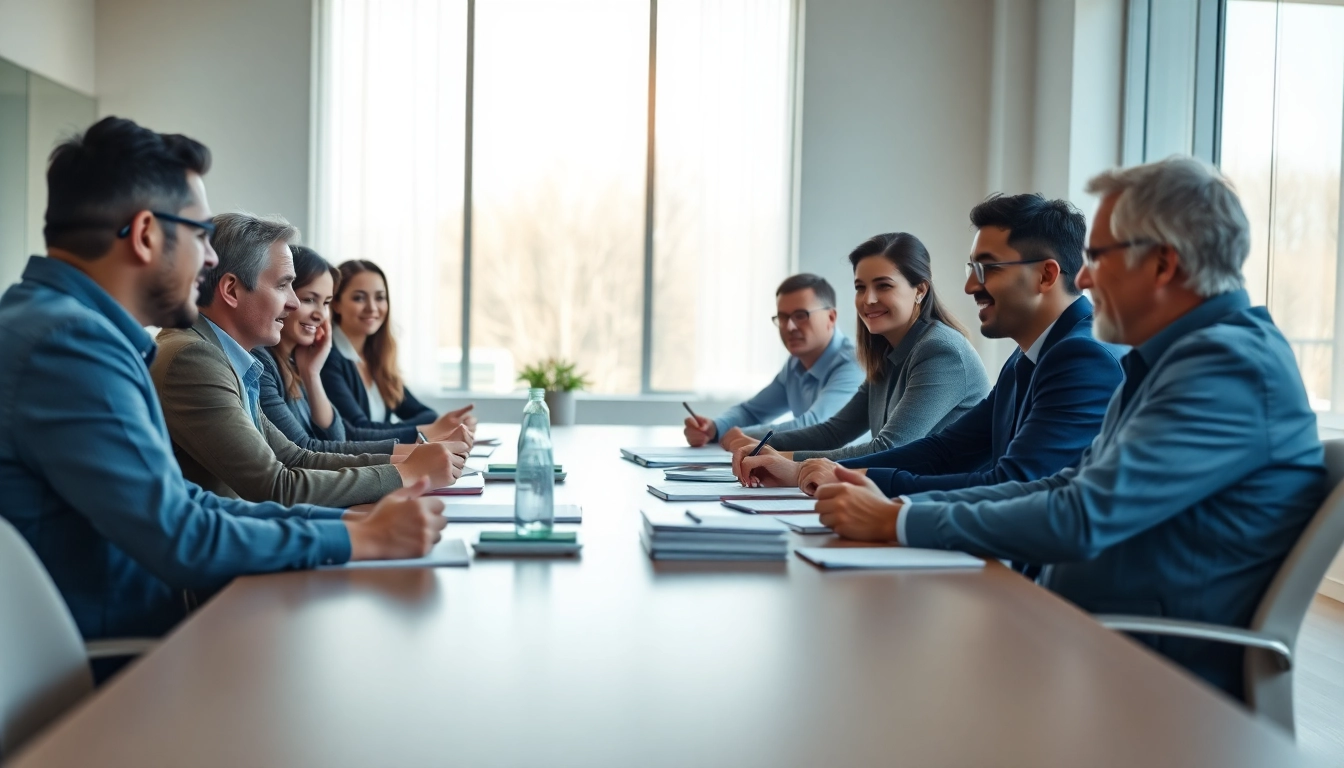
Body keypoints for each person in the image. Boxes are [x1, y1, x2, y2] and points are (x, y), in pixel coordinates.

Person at [812, 157, 1327, 698]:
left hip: (1141, 671)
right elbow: (1065, 485)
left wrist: (900, 522)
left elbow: (1080, 517)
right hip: (1077, 631)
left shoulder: (1227, 368)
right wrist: (898, 514)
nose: (1082, 276)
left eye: (1099, 257)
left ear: (1164, 263)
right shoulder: (1171, 359)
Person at [0, 116, 449, 644]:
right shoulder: (71, 346)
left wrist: (349, 529)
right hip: (126, 667)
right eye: (200, 233)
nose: (210, 257)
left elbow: (186, 505)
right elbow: (181, 536)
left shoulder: (59, 325)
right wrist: (360, 542)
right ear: (146, 235)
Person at [738, 194, 1125, 501]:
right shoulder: (1026, 358)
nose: (970, 287)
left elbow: (1012, 482)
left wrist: (852, 480)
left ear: (1046, 274)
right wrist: (814, 469)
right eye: (970, 269)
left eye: (986, 269)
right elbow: (943, 449)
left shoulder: (1081, 358)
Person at [151, 213, 463, 508]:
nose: (294, 302)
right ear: (231, 289)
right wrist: (406, 473)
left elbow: (297, 458)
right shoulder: (195, 358)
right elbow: (276, 486)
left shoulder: (224, 355)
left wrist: (408, 463)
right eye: (282, 285)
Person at [726, 232, 990, 473]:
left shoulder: (941, 351)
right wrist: (758, 444)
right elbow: (834, 431)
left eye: (883, 286)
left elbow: (887, 450)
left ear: (920, 290)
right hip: (902, 494)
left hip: (940, 504)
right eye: (860, 287)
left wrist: (786, 461)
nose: (868, 299)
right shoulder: (888, 352)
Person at [255, 245, 469, 456]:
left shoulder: (300, 363)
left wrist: (311, 374)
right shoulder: (265, 365)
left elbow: (336, 437)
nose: (320, 314)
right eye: (309, 299)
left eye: (325, 302)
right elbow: (312, 448)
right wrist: (416, 447)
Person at [683, 274, 862, 447]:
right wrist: (714, 428)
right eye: (783, 317)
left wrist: (739, 435)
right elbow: (751, 412)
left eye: (801, 315)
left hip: (853, 474)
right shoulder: (794, 364)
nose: (789, 327)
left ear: (831, 317)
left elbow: (815, 426)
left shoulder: (854, 363)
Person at [323, 259, 476, 445]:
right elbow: (356, 430)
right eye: (359, 298)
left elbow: (427, 415)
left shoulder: (375, 357)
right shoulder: (328, 358)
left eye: (380, 297)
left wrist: (445, 424)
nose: (372, 308)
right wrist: (431, 429)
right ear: (336, 303)